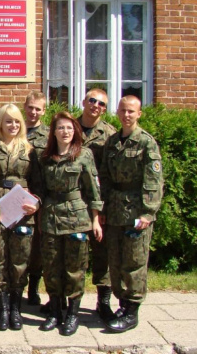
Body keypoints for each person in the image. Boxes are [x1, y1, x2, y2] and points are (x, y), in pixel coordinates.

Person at [100, 96, 163, 333]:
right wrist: (103, 208)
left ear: (139, 114)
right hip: (115, 208)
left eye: (131, 111)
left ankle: (132, 311)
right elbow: (104, 177)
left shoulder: (146, 142)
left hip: (137, 209)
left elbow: (154, 180)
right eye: (123, 110)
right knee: (116, 260)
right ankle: (122, 304)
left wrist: (148, 212)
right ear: (118, 112)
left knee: (134, 261)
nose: (127, 115)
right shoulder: (113, 141)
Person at [37, 112, 103, 336]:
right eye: (60, 128)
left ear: (74, 131)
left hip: (76, 218)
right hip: (50, 218)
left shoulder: (84, 155)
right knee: (52, 268)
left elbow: (93, 190)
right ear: (53, 132)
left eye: (69, 128)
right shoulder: (46, 157)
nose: (65, 132)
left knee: (75, 269)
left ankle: (72, 315)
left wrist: (96, 220)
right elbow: (40, 191)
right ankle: (55, 312)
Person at [0, 104, 39, 331]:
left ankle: (16, 308)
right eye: (8, 121)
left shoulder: (30, 150)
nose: (13, 125)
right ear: (0, 124)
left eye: (17, 121)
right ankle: (3, 308)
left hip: (22, 210)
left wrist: (36, 203)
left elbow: (39, 184)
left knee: (20, 260)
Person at [77, 88, 116, 322]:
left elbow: (111, 175)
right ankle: (65, 299)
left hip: (96, 200)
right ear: (84, 101)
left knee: (101, 252)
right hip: (71, 200)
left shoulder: (109, 134)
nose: (96, 106)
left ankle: (103, 301)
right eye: (92, 100)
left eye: (101, 104)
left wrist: (102, 208)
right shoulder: (68, 127)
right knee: (72, 253)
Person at [23, 90, 49, 307]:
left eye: (37, 108)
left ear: (44, 111)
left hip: (38, 194)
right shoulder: (14, 129)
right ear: (25, 106)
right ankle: (17, 286)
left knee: (37, 246)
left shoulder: (48, 135)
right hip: (16, 194)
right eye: (30, 107)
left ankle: (33, 288)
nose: (33, 112)